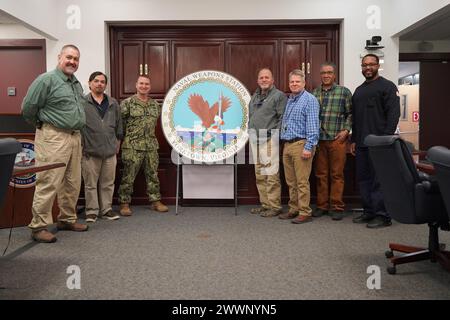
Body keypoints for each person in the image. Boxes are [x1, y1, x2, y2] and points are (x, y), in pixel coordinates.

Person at [22, 44, 88, 243]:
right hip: (53, 136)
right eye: (69, 57)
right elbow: (28, 109)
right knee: (49, 181)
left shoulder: (75, 83)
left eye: (76, 59)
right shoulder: (46, 80)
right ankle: (38, 226)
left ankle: (67, 219)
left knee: (72, 182)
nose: (72, 62)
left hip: (75, 137)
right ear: (59, 57)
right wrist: (44, 126)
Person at [350, 53, 400, 228]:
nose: (368, 68)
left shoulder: (387, 86)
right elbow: (355, 118)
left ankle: (382, 215)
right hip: (362, 144)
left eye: (371, 64)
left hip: (381, 144)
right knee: (364, 179)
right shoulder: (359, 91)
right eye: (365, 65)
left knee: (379, 180)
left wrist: (385, 139)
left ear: (378, 66)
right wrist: (354, 140)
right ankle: (369, 211)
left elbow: (394, 115)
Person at [118, 75, 168, 215]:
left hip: (151, 146)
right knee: (128, 176)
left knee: (153, 174)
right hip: (132, 146)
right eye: (141, 83)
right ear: (136, 85)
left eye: (146, 84)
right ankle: (124, 203)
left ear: (150, 86)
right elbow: (120, 125)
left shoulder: (155, 105)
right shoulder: (127, 103)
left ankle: (155, 201)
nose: (144, 86)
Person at [278, 69, 320, 224]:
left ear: (304, 83)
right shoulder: (290, 99)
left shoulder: (310, 100)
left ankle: (305, 212)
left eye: (297, 81)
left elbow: (313, 126)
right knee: (291, 182)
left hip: (302, 144)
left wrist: (309, 147)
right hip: (288, 145)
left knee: (302, 182)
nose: (294, 84)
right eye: (292, 82)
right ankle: (294, 209)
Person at [312, 62, 352, 221]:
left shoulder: (344, 92)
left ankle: (336, 206)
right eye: (323, 73)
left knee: (337, 174)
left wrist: (346, 130)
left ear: (334, 75)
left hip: (337, 140)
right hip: (319, 140)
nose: (326, 75)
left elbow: (351, 113)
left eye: (329, 72)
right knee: (321, 174)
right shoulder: (314, 94)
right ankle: (322, 206)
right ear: (320, 75)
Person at [81, 72, 123, 223]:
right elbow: (78, 127)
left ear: (105, 85)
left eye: (102, 82)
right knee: (90, 184)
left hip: (110, 152)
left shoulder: (113, 103)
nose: (99, 84)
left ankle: (106, 209)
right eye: (96, 81)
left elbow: (119, 126)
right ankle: (91, 211)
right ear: (90, 83)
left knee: (108, 183)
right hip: (90, 152)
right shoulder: (82, 103)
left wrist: (117, 144)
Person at [248, 68, 287, 217]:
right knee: (260, 174)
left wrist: (275, 137)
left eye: (267, 77)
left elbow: (282, 118)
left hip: (270, 139)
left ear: (272, 80)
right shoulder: (255, 96)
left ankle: (275, 206)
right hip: (255, 140)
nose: (264, 80)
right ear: (258, 81)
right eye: (261, 78)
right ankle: (265, 204)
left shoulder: (279, 96)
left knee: (271, 175)